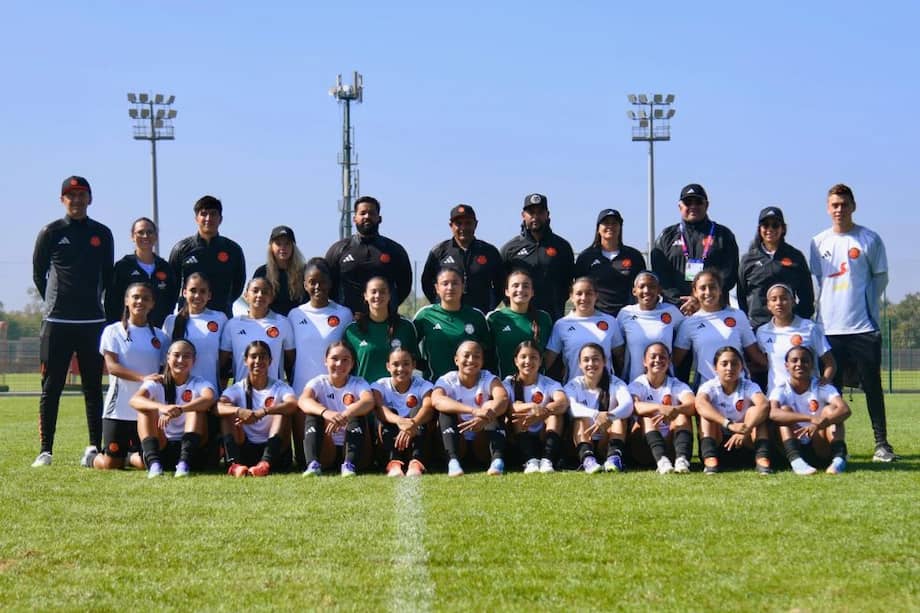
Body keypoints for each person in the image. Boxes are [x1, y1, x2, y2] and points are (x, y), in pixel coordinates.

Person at [809, 183, 895, 462]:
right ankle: (834, 446)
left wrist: (864, 304)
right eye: (834, 205)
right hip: (828, 329)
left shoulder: (869, 239)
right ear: (827, 208)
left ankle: (882, 444)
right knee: (829, 391)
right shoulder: (818, 242)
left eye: (844, 204)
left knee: (872, 387)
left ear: (853, 206)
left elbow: (880, 278)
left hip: (863, 327)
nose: (839, 209)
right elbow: (819, 280)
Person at [32, 176, 114, 467]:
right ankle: (45, 450)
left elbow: (108, 276)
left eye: (82, 195)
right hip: (57, 322)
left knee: (92, 388)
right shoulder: (51, 232)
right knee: (51, 387)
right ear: (62, 200)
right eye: (71, 195)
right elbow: (39, 274)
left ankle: (94, 447)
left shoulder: (102, 233)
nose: (76, 200)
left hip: (92, 322)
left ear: (90, 199)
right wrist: (56, 303)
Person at [89, 282, 169, 471]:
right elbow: (112, 367)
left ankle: (129, 456)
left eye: (146, 298)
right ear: (126, 301)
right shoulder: (113, 331)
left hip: (146, 410)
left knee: (147, 462)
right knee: (111, 465)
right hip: (119, 410)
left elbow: (166, 369)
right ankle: (91, 457)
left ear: (152, 304)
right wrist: (143, 378)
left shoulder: (161, 336)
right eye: (135, 297)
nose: (140, 301)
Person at [287, 258, 352, 468]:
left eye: (322, 281)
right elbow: (290, 355)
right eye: (312, 282)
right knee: (304, 459)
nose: (317, 286)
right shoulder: (295, 315)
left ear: (330, 283)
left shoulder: (344, 313)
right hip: (303, 390)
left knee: (333, 456)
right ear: (304, 284)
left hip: (335, 392)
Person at [128, 339, 215, 477]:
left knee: (196, 409)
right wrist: (162, 407)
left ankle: (184, 464)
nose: (181, 360)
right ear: (168, 358)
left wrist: (180, 409)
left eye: (186, 356)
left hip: (191, 448)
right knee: (145, 410)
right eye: (176, 355)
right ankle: (154, 465)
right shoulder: (157, 382)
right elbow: (134, 400)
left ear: (194, 360)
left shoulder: (199, 382)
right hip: (162, 444)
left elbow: (209, 398)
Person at [651, 183, 739, 316]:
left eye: (698, 202)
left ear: (706, 205)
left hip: (714, 310)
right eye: (688, 202)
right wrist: (680, 301)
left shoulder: (723, 235)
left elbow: (729, 274)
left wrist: (701, 299)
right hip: (677, 310)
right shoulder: (666, 236)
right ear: (680, 206)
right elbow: (660, 275)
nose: (693, 206)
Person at [217, 341, 298, 476]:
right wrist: (238, 411)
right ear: (245, 361)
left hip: (274, 450)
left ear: (270, 361)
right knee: (227, 411)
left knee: (281, 412)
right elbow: (217, 407)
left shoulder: (280, 387)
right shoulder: (238, 388)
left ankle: (264, 464)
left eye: (262, 357)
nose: (258, 361)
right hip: (245, 447)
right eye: (253, 356)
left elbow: (293, 404)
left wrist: (263, 412)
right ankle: (234, 464)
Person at [672, 270, 765, 387]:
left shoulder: (738, 316)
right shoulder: (689, 323)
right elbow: (674, 361)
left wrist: (777, 366)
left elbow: (755, 354)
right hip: (706, 390)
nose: (708, 292)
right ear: (695, 292)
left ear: (720, 290)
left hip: (739, 388)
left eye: (712, 287)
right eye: (703, 288)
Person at [431, 340, 509, 476]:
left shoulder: (489, 378)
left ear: (482, 361)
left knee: (492, 408)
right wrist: (473, 411)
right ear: (456, 360)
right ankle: (453, 462)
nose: (471, 360)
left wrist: (485, 416)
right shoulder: (447, 379)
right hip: (458, 439)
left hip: (482, 442)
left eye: (476, 356)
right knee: (445, 413)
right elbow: (437, 400)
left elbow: (502, 399)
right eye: (466, 356)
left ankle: (497, 461)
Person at [298, 341, 376, 477]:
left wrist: (346, 414)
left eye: (345, 360)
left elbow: (369, 401)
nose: (339, 364)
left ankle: (349, 465)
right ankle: (313, 464)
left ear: (352, 363)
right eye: (334, 359)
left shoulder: (358, 382)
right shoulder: (319, 382)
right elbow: (303, 400)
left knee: (356, 413)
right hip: (327, 448)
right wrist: (326, 413)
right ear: (325, 361)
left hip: (354, 448)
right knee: (313, 413)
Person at [769, 346, 851, 475]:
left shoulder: (822, 386)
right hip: (794, 442)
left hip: (819, 445)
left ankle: (838, 459)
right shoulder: (781, 388)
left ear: (812, 365)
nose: (799, 364)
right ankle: (796, 462)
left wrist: (819, 423)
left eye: (805, 361)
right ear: (786, 366)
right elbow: (773, 413)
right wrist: (810, 418)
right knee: (784, 410)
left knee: (831, 410)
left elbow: (845, 409)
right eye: (794, 360)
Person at [324, 196, 412, 314]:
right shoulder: (338, 250)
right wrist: (342, 310)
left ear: (379, 218)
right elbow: (327, 283)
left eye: (371, 213)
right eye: (362, 213)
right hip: (348, 319)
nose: (367, 216)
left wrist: (388, 307)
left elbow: (405, 286)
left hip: (384, 320)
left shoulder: (394, 250)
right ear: (354, 218)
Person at [695, 346, 772, 475]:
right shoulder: (709, 386)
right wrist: (729, 424)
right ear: (715, 368)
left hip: (745, 442)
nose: (729, 368)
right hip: (719, 442)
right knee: (706, 414)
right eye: (724, 364)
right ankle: (710, 459)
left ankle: (762, 458)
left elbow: (764, 405)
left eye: (734, 363)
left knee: (756, 411)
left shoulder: (749, 386)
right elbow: (700, 404)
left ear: (741, 367)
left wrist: (746, 429)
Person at [500, 193, 575, 321]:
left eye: (540, 212)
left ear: (547, 215)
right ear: (523, 215)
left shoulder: (562, 247)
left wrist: (555, 302)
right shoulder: (510, 248)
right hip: (519, 320)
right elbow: (501, 284)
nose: (535, 217)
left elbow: (568, 283)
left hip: (553, 318)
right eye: (531, 213)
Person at [168, 195, 246, 318]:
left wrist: (224, 302)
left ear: (220, 219)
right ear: (196, 218)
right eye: (203, 214)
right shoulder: (181, 249)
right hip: (188, 317)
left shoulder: (233, 250)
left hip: (222, 315)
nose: (208, 218)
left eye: (213, 214)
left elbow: (238, 285)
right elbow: (172, 286)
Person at [737, 207, 814, 330]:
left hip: (790, 328)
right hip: (758, 327)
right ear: (759, 229)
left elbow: (807, 296)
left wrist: (797, 320)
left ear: (783, 228)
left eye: (775, 225)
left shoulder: (796, 256)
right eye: (765, 225)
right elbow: (741, 297)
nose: (770, 229)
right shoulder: (748, 260)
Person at [421, 204, 505, 314]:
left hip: (480, 315)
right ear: (451, 225)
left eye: (468, 223)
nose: (463, 228)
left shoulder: (489, 252)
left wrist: (489, 306)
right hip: (448, 316)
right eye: (458, 223)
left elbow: (501, 284)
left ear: (476, 224)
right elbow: (427, 283)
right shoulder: (439, 252)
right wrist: (438, 303)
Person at [564, 342, 634, 473]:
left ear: (604, 361)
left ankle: (614, 458)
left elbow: (628, 405)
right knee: (580, 419)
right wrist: (596, 415)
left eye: (595, 359)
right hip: (583, 438)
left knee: (619, 419)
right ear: (579, 364)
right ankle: (588, 459)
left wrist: (609, 417)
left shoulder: (616, 383)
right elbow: (571, 407)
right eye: (586, 360)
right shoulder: (573, 384)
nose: (591, 364)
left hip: (606, 438)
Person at [628, 342, 695, 474]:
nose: (658, 360)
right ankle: (662, 461)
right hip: (643, 447)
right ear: (644, 362)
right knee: (646, 418)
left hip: (671, 444)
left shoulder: (676, 384)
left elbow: (692, 404)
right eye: (653, 357)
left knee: (682, 416)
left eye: (662, 357)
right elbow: (635, 406)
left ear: (669, 361)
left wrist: (675, 410)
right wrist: (660, 408)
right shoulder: (637, 384)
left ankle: (681, 460)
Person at [414, 268, 492, 380]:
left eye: (455, 283)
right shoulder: (425, 315)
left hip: (470, 385)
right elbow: (408, 346)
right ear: (437, 288)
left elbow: (488, 351)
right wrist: (425, 366)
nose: (450, 288)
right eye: (445, 283)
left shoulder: (476, 316)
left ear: (463, 287)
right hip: (434, 384)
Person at [756, 284, 834, 394]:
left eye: (784, 299)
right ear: (768, 305)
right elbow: (764, 364)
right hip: (777, 396)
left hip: (809, 396)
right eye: (774, 299)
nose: (779, 303)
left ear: (793, 302)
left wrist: (823, 385)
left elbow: (830, 363)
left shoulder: (810, 328)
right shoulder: (762, 332)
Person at [503, 341, 568, 474]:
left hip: (544, 435)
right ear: (516, 361)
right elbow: (506, 407)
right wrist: (532, 407)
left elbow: (563, 402)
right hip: (519, 436)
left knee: (555, 415)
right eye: (523, 357)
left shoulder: (549, 383)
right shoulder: (508, 382)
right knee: (518, 414)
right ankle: (530, 460)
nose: (528, 361)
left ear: (540, 361)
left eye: (533, 357)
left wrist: (544, 411)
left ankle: (547, 460)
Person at [544, 277, 625, 382]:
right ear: (571, 297)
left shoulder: (610, 321)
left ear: (596, 295)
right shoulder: (561, 325)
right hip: (573, 388)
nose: (584, 298)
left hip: (605, 387)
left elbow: (620, 357)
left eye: (589, 293)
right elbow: (548, 360)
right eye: (579, 293)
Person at [219, 277, 295, 386]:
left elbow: (292, 361)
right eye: (255, 291)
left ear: (271, 297)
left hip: (273, 392)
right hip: (242, 392)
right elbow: (221, 363)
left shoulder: (283, 323)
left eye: (265, 292)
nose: (260, 295)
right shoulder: (232, 325)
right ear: (246, 295)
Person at [372, 347, 435, 477]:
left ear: (413, 365)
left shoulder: (424, 385)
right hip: (391, 438)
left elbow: (428, 407)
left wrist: (413, 423)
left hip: (415, 436)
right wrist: (400, 421)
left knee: (418, 411)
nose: (401, 369)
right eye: (395, 364)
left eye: (406, 364)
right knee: (388, 413)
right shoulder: (379, 385)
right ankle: (393, 463)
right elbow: (379, 408)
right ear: (388, 366)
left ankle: (416, 462)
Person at [105, 217, 178, 328]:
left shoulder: (165, 267)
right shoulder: (123, 266)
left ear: (156, 236)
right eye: (140, 232)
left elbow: (171, 300)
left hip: (158, 331)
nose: (145, 236)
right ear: (132, 236)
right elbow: (111, 302)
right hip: (129, 330)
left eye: (150, 232)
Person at [573, 208, 647, 317]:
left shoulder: (634, 256)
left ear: (620, 227)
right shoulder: (586, 257)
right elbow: (580, 288)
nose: (610, 226)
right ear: (598, 228)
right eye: (606, 223)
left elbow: (642, 286)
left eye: (614, 223)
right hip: (596, 317)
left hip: (628, 316)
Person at [345, 276, 418, 384]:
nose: (378, 295)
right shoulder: (352, 330)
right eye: (373, 292)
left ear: (389, 295)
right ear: (365, 295)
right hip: (365, 392)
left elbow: (415, 363)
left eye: (383, 292)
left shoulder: (406, 327)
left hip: (396, 393)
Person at [616, 271, 684, 383]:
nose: (646, 290)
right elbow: (618, 347)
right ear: (634, 291)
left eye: (652, 287)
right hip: (634, 382)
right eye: (642, 287)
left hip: (665, 383)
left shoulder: (671, 311)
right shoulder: (625, 313)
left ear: (659, 290)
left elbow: (686, 332)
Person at [163, 273, 227, 390]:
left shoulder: (220, 318)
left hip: (209, 390)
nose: (197, 295)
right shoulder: (172, 321)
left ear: (209, 295)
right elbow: (165, 359)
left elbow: (224, 357)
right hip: (178, 392)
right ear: (184, 292)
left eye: (202, 291)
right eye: (193, 290)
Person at [486, 268, 552, 379]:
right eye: (515, 285)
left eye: (525, 286)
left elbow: (549, 354)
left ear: (532, 292)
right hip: (504, 385)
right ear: (507, 291)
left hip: (537, 387)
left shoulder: (544, 318)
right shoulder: (494, 318)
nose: (520, 289)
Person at [253, 225, 307, 316]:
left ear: (293, 246)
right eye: (278, 244)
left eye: (287, 243)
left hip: (300, 321)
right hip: (271, 322)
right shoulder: (262, 273)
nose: (283, 247)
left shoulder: (304, 272)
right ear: (271, 246)